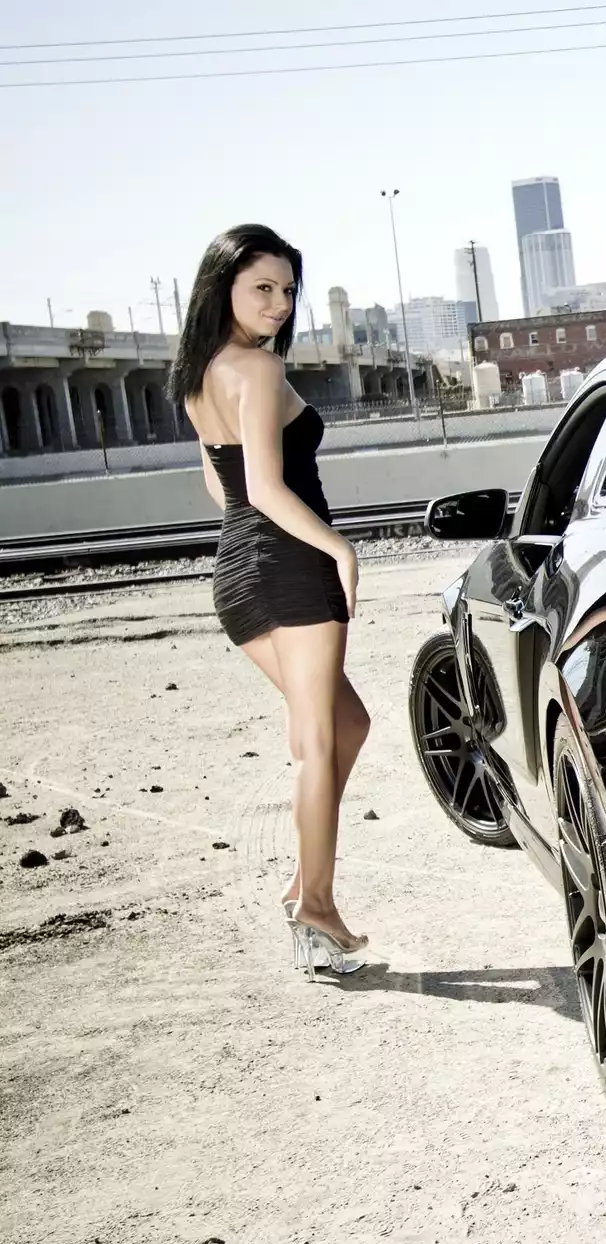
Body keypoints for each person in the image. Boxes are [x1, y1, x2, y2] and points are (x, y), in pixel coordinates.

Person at [167, 224, 372, 978]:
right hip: (289, 566)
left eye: (287, 290)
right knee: (317, 741)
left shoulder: (200, 373)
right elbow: (262, 487)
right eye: (263, 288)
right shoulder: (254, 368)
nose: (280, 303)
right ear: (221, 286)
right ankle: (315, 908)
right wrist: (337, 547)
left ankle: (302, 883)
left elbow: (219, 486)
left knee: (346, 723)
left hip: (238, 571)